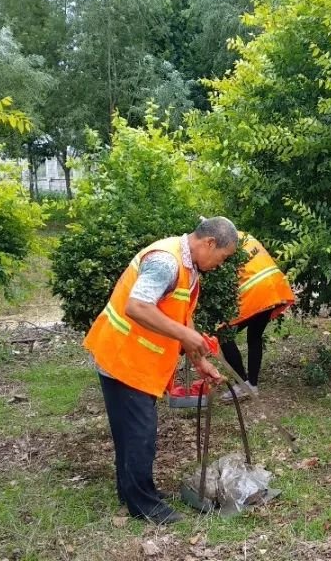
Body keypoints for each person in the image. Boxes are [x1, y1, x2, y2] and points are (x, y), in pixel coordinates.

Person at [83, 217, 239, 524]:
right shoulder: (166, 263)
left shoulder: (189, 266)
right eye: (223, 257)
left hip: (137, 361)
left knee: (131, 432)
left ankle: (133, 490)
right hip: (123, 359)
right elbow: (137, 307)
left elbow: (181, 316)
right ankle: (144, 505)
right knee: (140, 434)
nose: (221, 264)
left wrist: (199, 361)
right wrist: (185, 337)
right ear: (209, 243)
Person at [219, 232, 295, 401]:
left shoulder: (222, 242)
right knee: (254, 336)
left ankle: (243, 384)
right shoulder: (242, 235)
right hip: (274, 287)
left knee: (223, 333)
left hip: (258, 291)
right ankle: (252, 384)